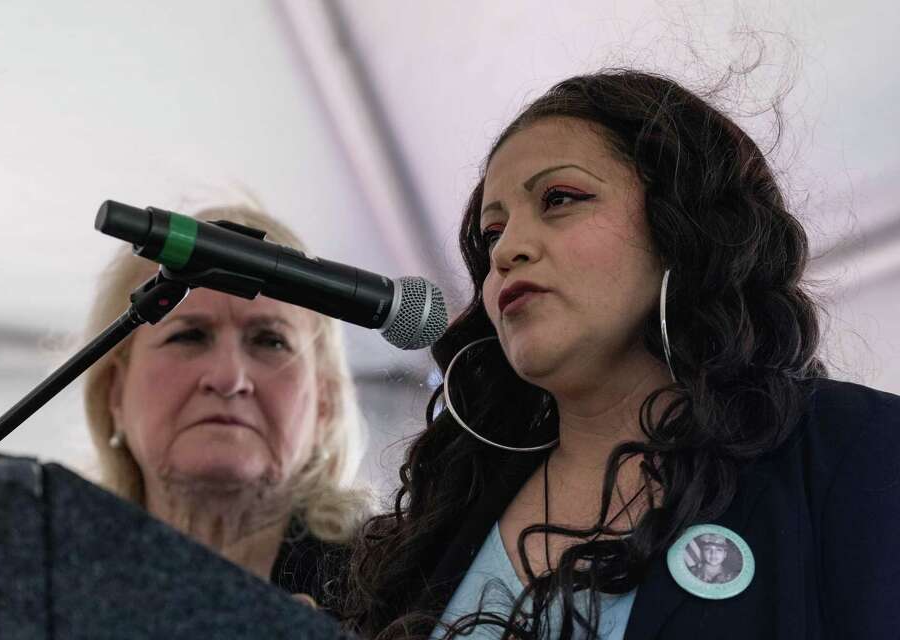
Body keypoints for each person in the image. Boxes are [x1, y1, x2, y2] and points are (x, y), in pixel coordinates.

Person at [343, 70, 900, 639]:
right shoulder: (444, 519)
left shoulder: (857, 450)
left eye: (560, 199)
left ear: (682, 226)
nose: (507, 250)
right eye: (492, 233)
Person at [82, 203, 368, 610]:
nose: (229, 378)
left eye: (270, 341)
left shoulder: (394, 587)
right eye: (189, 336)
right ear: (114, 392)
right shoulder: (44, 582)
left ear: (325, 402)